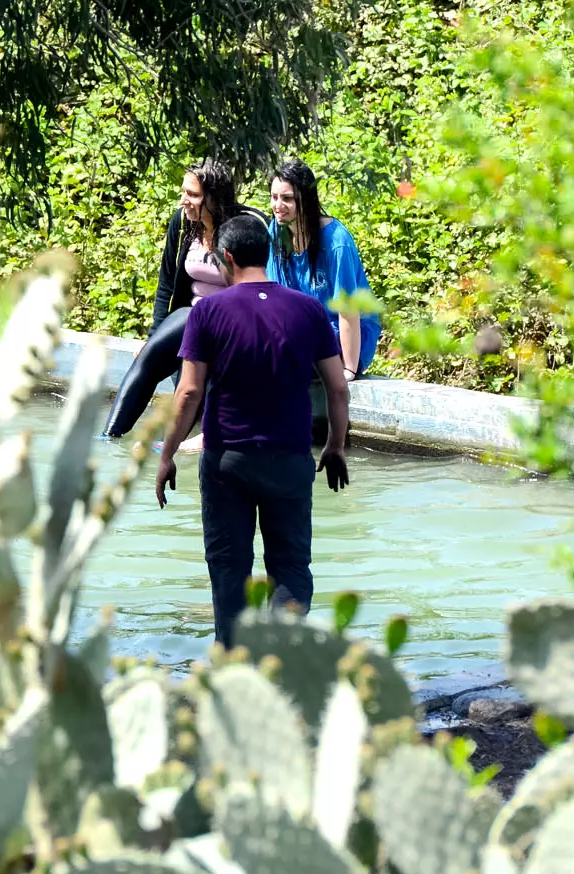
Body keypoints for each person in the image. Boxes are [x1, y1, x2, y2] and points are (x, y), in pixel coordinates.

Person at [153, 213, 351, 643]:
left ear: (226, 257)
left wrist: (167, 455)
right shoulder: (308, 309)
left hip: (229, 461)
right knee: (291, 569)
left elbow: (188, 393)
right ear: (267, 253)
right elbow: (338, 388)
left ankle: (233, 671)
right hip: (291, 457)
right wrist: (334, 447)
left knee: (230, 572)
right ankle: (283, 663)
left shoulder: (207, 311)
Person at [105, 161, 246, 436]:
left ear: (214, 196)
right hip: (188, 322)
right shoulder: (182, 223)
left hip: (227, 323)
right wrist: (156, 334)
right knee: (153, 356)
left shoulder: (240, 228)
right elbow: (166, 284)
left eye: (192, 195)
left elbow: (250, 288)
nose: (184, 201)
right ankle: (110, 435)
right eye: (184, 192)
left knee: (193, 321)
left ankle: (172, 441)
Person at [267, 157, 381, 376]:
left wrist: (349, 368)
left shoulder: (337, 242)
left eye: (287, 198)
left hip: (345, 334)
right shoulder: (275, 231)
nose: (278, 206)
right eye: (274, 197)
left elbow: (348, 310)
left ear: (306, 200)